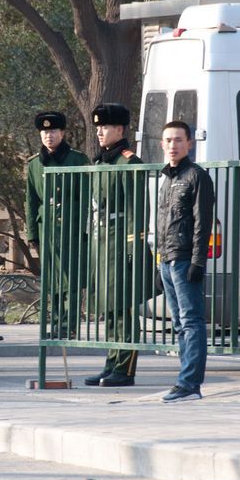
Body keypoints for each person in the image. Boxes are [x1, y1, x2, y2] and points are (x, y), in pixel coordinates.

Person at [84, 103, 151, 387]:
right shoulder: (102, 163)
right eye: (98, 127)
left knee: (122, 308)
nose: (100, 132)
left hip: (120, 243)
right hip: (102, 243)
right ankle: (111, 362)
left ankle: (125, 368)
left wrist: (132, 248)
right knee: (108, 308)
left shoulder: (129, 162)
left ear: (120, 130)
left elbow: (137, 210)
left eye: (105, 127)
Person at [156, 120, 214, 403]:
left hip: (184, 259)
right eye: (168, 140)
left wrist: (197, 261)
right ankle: (184, 380)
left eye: (178, 140)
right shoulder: (166, 178)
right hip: (166, 260)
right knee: (178, 322)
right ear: (161, 144)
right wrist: (159, 260)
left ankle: (190, 384)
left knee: (191, 321)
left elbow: (203, 224)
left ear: (190, 143)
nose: (173, 145)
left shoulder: (197, 176)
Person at [25, 111, 89, 339]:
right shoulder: (34, 164)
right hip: (47, 228)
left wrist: (84, 228)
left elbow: (86, 196)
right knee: (52, 279)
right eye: (44, 132)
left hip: (71, 226)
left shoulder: (78, 159)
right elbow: (31, 200)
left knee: (70, 279)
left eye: (52, 131)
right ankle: (55, 324)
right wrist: (32, 231)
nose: (48, 136)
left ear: (62, 133)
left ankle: (69, 326)